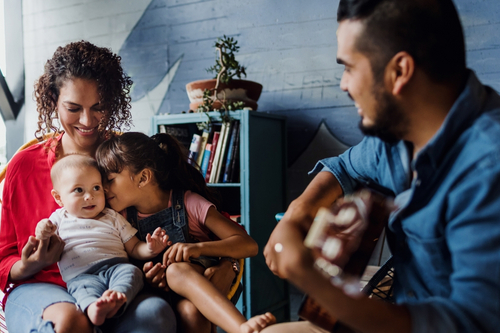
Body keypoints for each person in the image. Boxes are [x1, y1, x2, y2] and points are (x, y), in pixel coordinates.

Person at [263, 0, 500, 332]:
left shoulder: (488, 165)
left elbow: (467, 323)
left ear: (399, 71)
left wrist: (308, 277)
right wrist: (299, 210)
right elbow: (343, 167)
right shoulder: (395, 135)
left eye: (348, 67)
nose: (344, 85)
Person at [0, 41, 176, 333]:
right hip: (39, 286)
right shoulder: (25, 166)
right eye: (73, 108)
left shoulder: (129, 159)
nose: (86, 121)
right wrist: (30, 264)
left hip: (114, 279)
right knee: (73, 322)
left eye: (99, 107)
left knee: (156, 313)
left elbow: (183, 212)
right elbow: (4, 258)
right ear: (53, 99)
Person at [96, 132, 277, 333]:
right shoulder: (119, 217)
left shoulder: (189, 203)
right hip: (163, 296)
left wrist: (198, 248)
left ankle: (244, 328)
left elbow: (249, 245)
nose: (103, 188)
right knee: (190, 312)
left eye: (110, 179)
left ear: (144, 177)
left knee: (176, 271)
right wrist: (148, 278)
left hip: (207, 279)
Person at [35, 154, 169, 326]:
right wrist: (42, 229)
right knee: (82, 290)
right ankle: (93, 308)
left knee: (133, 273)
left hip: (116, 267)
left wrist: (150, 249)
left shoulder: (111, 216)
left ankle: (118, 297)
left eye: (96, 188)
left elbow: (134, 247)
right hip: (81, 275)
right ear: (59, 198)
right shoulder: (59, 219)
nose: (90, 196)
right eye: (79, 190)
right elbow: (44, 237)